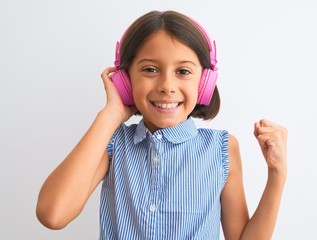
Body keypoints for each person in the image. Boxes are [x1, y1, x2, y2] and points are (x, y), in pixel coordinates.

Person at [36, 10, 288, 240]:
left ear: (205, 82)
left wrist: (277, 175)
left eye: (183, 72)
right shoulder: (111, 142)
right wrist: (111, 114)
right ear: (125, 79)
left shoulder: (221, 148)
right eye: (150, 69)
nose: (167, 86)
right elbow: (53, 214)